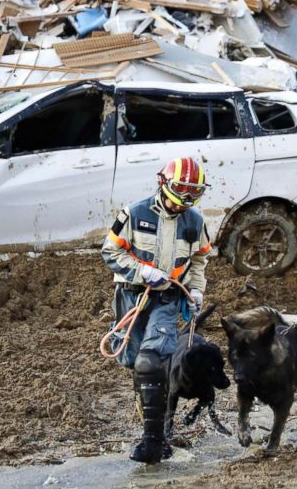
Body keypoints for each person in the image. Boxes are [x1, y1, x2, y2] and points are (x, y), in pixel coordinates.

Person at [102, 157, 212, 463]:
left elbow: (200, 260)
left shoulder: (195, 222)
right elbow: (109, 250)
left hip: (167, 299)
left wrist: (196, 289)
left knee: (153, 359)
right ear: (164, 183)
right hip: (132, 294)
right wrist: (141, 271)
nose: (186, 200)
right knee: (132, 359)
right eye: (182, 190)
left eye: (194, 193)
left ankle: (153, 441)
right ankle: (151, 415)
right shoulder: (134, 213)